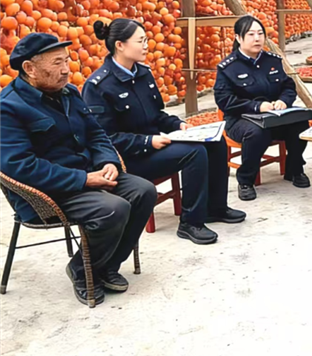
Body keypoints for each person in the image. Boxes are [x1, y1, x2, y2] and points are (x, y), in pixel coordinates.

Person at [0, 34, 158, 305]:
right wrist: (84, 179)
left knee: (143, 191)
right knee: (113, 208)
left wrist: (108, 161)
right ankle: (82, 271)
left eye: (67, 61)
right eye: (57, 63)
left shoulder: (69, 93)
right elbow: (20, 166)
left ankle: (106, 265)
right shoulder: (8, 107)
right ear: (29, 68)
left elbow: (96, 134)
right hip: (46, 191)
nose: (66, 70)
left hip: (89, 174)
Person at [82, 19, 245, 246]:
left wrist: (178, 125)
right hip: (129, 158)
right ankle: (190, 222)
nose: (146, 45)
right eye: (140, 41)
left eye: (146, 40)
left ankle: (215, 208)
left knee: (215, 142)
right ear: (120, 45)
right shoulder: (98, 86)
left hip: (155, 146)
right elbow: (105, 139)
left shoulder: (142, 74)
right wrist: (147, 141)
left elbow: (156, 115)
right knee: (194, 153)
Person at [214, 15, 310, 201]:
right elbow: (224, 100)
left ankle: (294, 169)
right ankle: (246, 181)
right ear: (238, 38)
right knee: (257, 133)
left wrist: (284, 101)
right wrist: (256, 106)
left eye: (260, 34)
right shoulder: (228, 67)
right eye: (251, 34)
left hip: (274, 116)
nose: (257, 38)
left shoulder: (272, 60)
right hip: (240, 120)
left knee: (300, 124)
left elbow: (288, 87)